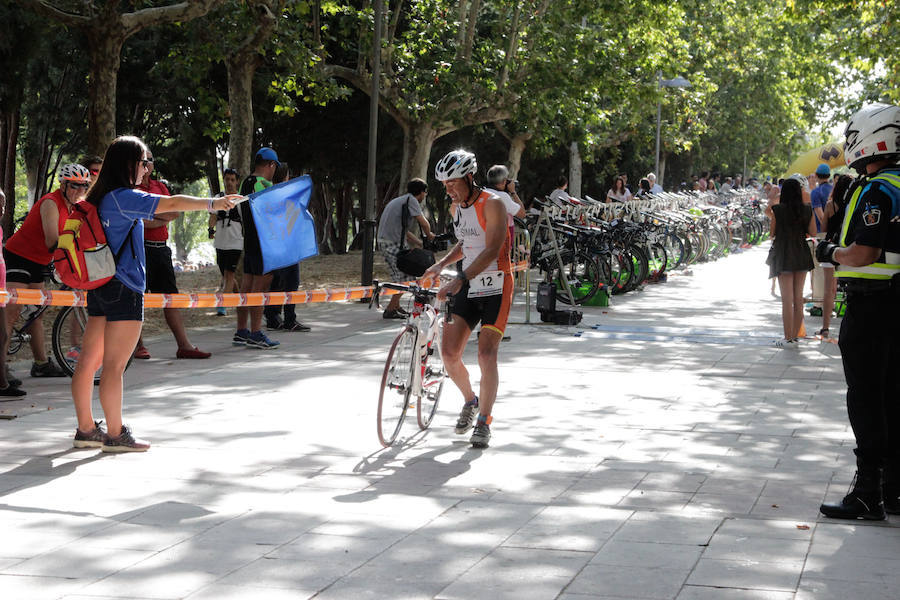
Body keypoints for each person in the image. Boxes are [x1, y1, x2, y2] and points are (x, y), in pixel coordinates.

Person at [72, 135, 240, 452]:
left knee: (89, 361)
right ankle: (116, 434)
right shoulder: (124, 197)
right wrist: (213, 204)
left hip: (100, 285)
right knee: (113, 367)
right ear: (129, 165)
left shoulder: (99, 198)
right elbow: (173, 203)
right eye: (144, 162)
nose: (147, 168)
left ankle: (85, 429)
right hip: (124, 288)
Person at [816, 103, 900, 520]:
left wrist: (829, 251)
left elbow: (863, 253)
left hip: (873, 306)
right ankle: (895, 489)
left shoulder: (879, 189)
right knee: (894, 396)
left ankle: (868, 493)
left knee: (867, 399)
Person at [422, 149, 512, 449]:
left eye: (453, 183)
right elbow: (465, 243)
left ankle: (485, 421)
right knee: (449, 355)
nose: (448, 190)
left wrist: (460, 278)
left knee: (486, 354)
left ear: (470, 177)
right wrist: (439, 265)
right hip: (469, 284)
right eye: (444, 185)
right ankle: (471, 401)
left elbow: (491, 248)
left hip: (496, 285)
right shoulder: (456, 208)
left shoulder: (494, 204)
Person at [3, 164, 89, 379]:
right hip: (18, 256)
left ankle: (41, 364)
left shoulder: (75, 207)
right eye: (75, 186)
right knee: (12, 313)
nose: (80, 191)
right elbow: (53, 241)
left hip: (39, 262)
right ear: (63, 184)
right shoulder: (51, 203)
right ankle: (1, 369)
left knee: (36, 314)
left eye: (84, 186)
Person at [132, 150, 210, 360]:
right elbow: (137, 219)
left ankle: (184, 345)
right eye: (143, 160)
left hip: (162, 249)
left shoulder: (160, 187)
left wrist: (152, 217)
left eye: (150, 160)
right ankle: (136, 346)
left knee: (170, 298)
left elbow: (175, 212)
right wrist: (159, 217)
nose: (147, 164)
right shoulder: (131, 189)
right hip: (140, 248)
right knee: (138, 298)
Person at [232, 147, 282, 348]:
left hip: (249, 240)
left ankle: (241, 330)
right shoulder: (264, 184)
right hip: (264, 242)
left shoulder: (245, 182)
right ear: (271, 165)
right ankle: (256, 333)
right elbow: (270, 213)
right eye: (274, 167)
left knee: (247, 285)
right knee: (259, 287)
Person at [376, 178, 435, 318]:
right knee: (405, 277)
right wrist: (430, 236)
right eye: (425, 193)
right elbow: (424, 223)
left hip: (388, 241)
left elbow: (405, 232)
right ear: (422, 192)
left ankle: (396, 306)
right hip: (391, 242)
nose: (424, 196)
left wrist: (420, 243)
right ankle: (390, 310)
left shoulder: (401, 200)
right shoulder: (411, 200)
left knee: (400, 276)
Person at [766, 177, 815, 345]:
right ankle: (795, 336)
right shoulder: (807, 210)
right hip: (801, 253)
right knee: (798, 298)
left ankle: (787, 337)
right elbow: (813, 232)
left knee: (786, 299)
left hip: (783, 254)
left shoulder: (778, 210)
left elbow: (772, 234)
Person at [263, 162, 310, 332]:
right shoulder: (274, 196)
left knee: (289, 282)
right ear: (284, 176)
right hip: (282, 247)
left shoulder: (284, 196)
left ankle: (286, 318)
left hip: (288, 246)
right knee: (282, 283)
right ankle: (274, 316)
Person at [817, 174, 854, 337]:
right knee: (848, 289)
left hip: (830, 249)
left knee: (828, 290)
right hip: (846, 250)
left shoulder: (830, 205)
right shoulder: (852, 205)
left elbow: (824, 227)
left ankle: (825, 328)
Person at [0, 187, 25, 397]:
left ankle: (1, 382)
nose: (1, 210)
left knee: (2, 335)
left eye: (4, 206)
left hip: (1, 291)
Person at [209, 167, 242, 317]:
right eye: (227, 179)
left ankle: (222, 305)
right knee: (226, 275)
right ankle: (241, 300)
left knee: (229, 274)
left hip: (235, 243)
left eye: (232, 180)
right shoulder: (218, 198)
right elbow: (213, 216)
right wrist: (210, 230)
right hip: (220, 243)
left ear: (237, 182)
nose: (229, 183)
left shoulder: (241, 200)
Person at [810, 163, 832, 233]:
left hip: (821, 231)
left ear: (816, 175)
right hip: (836, 230)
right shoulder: (834, 189)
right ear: (829, 176)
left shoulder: (815, 192)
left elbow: (821, 217)